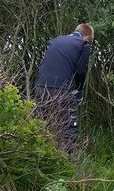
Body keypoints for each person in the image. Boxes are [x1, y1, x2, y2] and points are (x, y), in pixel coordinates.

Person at [34, 24, 94, 153]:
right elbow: (80, 72)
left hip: (40, 85)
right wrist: (78, 94)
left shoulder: (56, 40)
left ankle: (36, 156)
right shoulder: (84, 45)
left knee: (40, 124)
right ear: (87, 37)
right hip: (61, 89)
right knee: (68, 128)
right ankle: (67, 160)